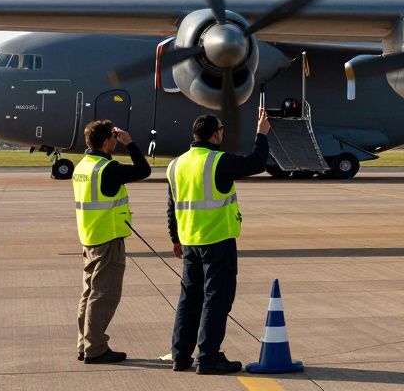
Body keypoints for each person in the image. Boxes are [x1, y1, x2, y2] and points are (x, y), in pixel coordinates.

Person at [167, 109, 271, 374]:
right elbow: (257, 163)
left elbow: (172, 205)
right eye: (222, 130)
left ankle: (181, 356)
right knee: (217, 299)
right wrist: (262, 133)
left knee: (189, 299)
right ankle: (208, 357)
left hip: (190, 240)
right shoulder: (217, 161)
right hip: (217, 240)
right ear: (215, 134)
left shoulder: (176, 164)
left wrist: (176, 239)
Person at [74, 119, 152, 364]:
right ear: (107, 140)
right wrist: (130, 143)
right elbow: (143, 170)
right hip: (108, 239)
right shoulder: (106, 168)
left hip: (89, 237)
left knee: (88, 293)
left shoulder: (83, 167)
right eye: (114, 138)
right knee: (104, 295)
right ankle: (95, 348)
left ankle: (84, 344)